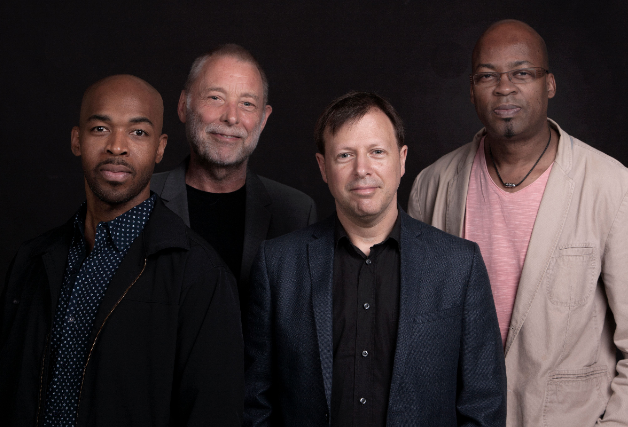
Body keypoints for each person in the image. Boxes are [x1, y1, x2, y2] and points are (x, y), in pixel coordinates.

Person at [409, 19, 628, 426]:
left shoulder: (611, 186)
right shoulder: (432, 186)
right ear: (471, 90)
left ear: (550, 84)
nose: (504, 88)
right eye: (487, 76)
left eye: (522, 73)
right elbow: (416, 332)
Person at [0, 75, 243, 426]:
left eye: (138, 132)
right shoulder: (31, 260)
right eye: (100, 129)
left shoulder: (201, 276)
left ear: (160, 148)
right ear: (77, 140)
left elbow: (213, 414)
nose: (117, 147)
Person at [245, 91, 506, 426]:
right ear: (323, 167)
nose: (362, 169)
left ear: (402, 159)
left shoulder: (459, 266)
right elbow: (255, 402)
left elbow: (484, 405)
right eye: (345, 155)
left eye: (377, 152)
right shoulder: (278, 266)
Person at [151, 44, 317, 320]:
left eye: (247, 104)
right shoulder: (141, 200)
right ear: (183, 106)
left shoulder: (297, 213)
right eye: (215, 97)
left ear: (263, 119)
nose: (231, 117)